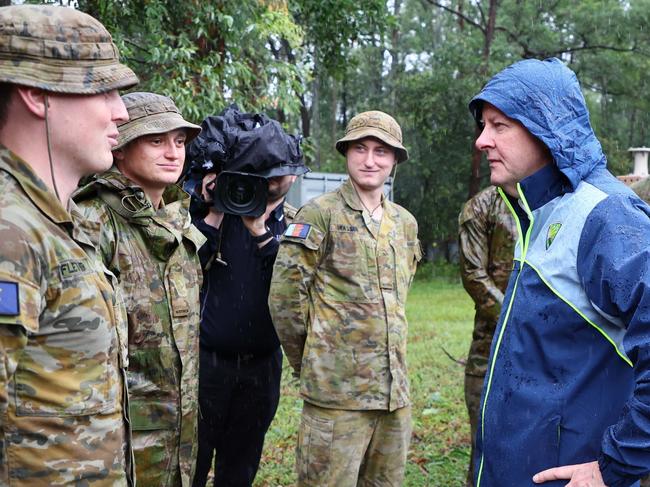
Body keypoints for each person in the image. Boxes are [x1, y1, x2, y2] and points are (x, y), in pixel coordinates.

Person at [469, 57, 650, 487]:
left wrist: (616, 465)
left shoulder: (606, 217)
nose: (481, 140)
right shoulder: (541, 213)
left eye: (499, 125)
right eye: (482, 125)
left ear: (545, 126)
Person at [0, 4, 139, 485]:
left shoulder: (56, 219)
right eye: (104, 90)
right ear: (37, 94)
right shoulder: (10, 228)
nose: (121, 111)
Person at [269, 110, 422, 487]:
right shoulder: (319, 214)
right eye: (360, 149)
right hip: (336, 396)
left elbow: (399, 295)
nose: (370, 160)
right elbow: (285, 298)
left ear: (395, 160)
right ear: (346, 153)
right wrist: (315, 358)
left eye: (381, 151)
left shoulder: (404, 222)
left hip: (393, 395)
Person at [74, 92, 204, 487]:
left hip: (178, 435)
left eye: (180, 142)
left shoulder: (177, 220)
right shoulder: (94, 221)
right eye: (156, 140)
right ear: (122, 149)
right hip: (120, 442)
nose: (173, 153)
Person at [189, 112, 307, 487]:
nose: (276, 179)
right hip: (206, 365)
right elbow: (186, 268)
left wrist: (260, 231)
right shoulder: (214, 211)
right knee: (190, 461)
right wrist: (217, 209)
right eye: (266, 172)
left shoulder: (295, 225)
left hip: (261, 369)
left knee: (240, 467)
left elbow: (292, 281)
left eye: (283, 171)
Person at [458, 185, 516, 487]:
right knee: (487, 449)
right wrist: (520, 319)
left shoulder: (558, 197)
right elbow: (474, 276)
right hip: (491, 353)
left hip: (553, 354)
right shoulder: (482, 207)